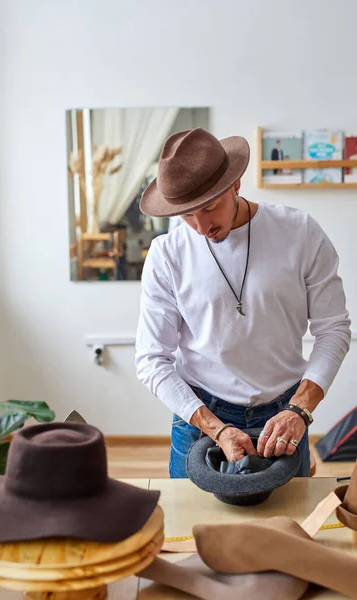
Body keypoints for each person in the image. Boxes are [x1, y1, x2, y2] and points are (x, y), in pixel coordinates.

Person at [135, 128, 351, 478]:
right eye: (187, 214)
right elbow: (151, 359)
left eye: (209, 208)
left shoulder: (300, 232)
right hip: (199, 417)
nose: (202, 226)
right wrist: (215, 428)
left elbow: (334, 328)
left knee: (286, 529)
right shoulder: (166, 254)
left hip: (286, 413)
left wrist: (301, 409)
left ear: (235, 185)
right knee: (190, 530)